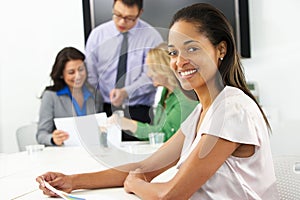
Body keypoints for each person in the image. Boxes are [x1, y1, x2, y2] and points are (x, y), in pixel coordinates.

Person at [36, 3, 278, 199]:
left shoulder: (231, 109)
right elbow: (146, 166)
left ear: (220, 50)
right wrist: (71, 181)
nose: (178, 61)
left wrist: (135, 184)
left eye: (191, 49)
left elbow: (171, 195)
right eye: (173, 52)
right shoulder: (202, 113)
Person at [85, 0, 163, 141]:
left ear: (140, 13)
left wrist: (126, 92)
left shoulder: (151, 37)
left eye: (129, 18)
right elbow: (90, 74)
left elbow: (151, 76)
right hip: (105, 108)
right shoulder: (98, 35)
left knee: (140, 157)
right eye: (117, 15)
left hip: (138, 110)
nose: (121, 22)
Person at [109, 43, 198, 141]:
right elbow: (157, 131)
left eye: (152, 69)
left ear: (165, 69)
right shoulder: (165, 93)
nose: (149, 74)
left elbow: (165, 135)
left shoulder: (186, 99)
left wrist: (130, 125)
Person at [36, 47, 103, 146]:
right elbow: (41, 134)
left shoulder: (95, 94)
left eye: (81, 70)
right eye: (71, 72)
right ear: (61, 74)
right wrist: (53, 139)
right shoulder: (51, 96)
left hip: (93, 152)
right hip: (64, 154)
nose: (78, 76)